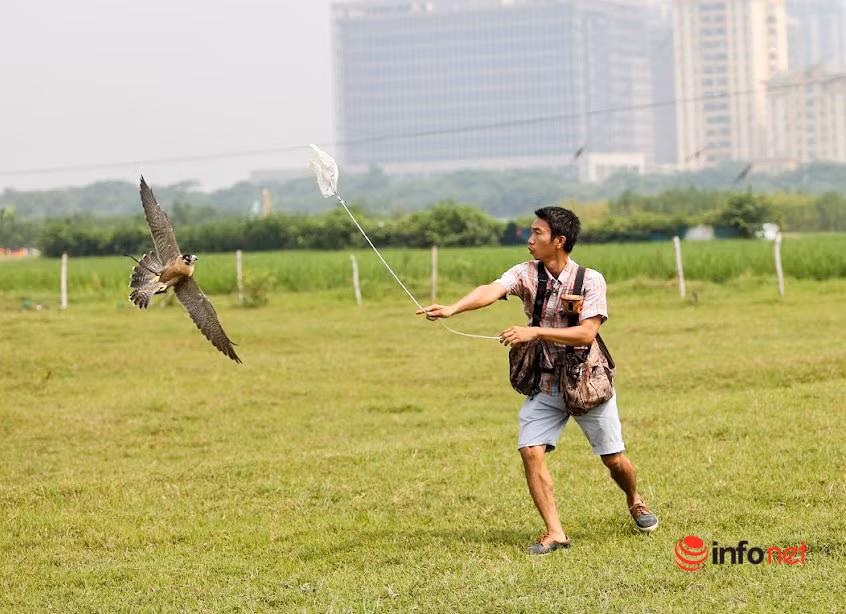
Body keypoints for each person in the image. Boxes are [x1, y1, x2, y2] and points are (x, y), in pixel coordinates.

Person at [416, 206, 658, 555]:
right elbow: (492, 289)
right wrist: (454, 308)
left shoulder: (590, 280)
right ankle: (555, 532)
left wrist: (533, 331)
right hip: (544, 384)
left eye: (537, 233)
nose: (530, 240)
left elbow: (587, 333)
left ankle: (635, 500)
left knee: (614, 460)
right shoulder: (526, 273)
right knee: (530, 450)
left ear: (559, 241)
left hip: (586, 383)